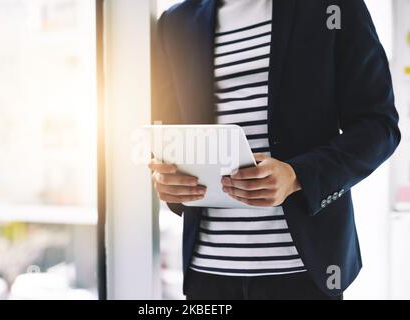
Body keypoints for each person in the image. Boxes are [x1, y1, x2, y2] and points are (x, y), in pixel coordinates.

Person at [149, 0, 400, 300]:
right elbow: (167, 135)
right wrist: (169, 182)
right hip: (208, 275)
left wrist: (298, 176)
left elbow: (378, 126)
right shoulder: (175, 22)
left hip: (304, 275)